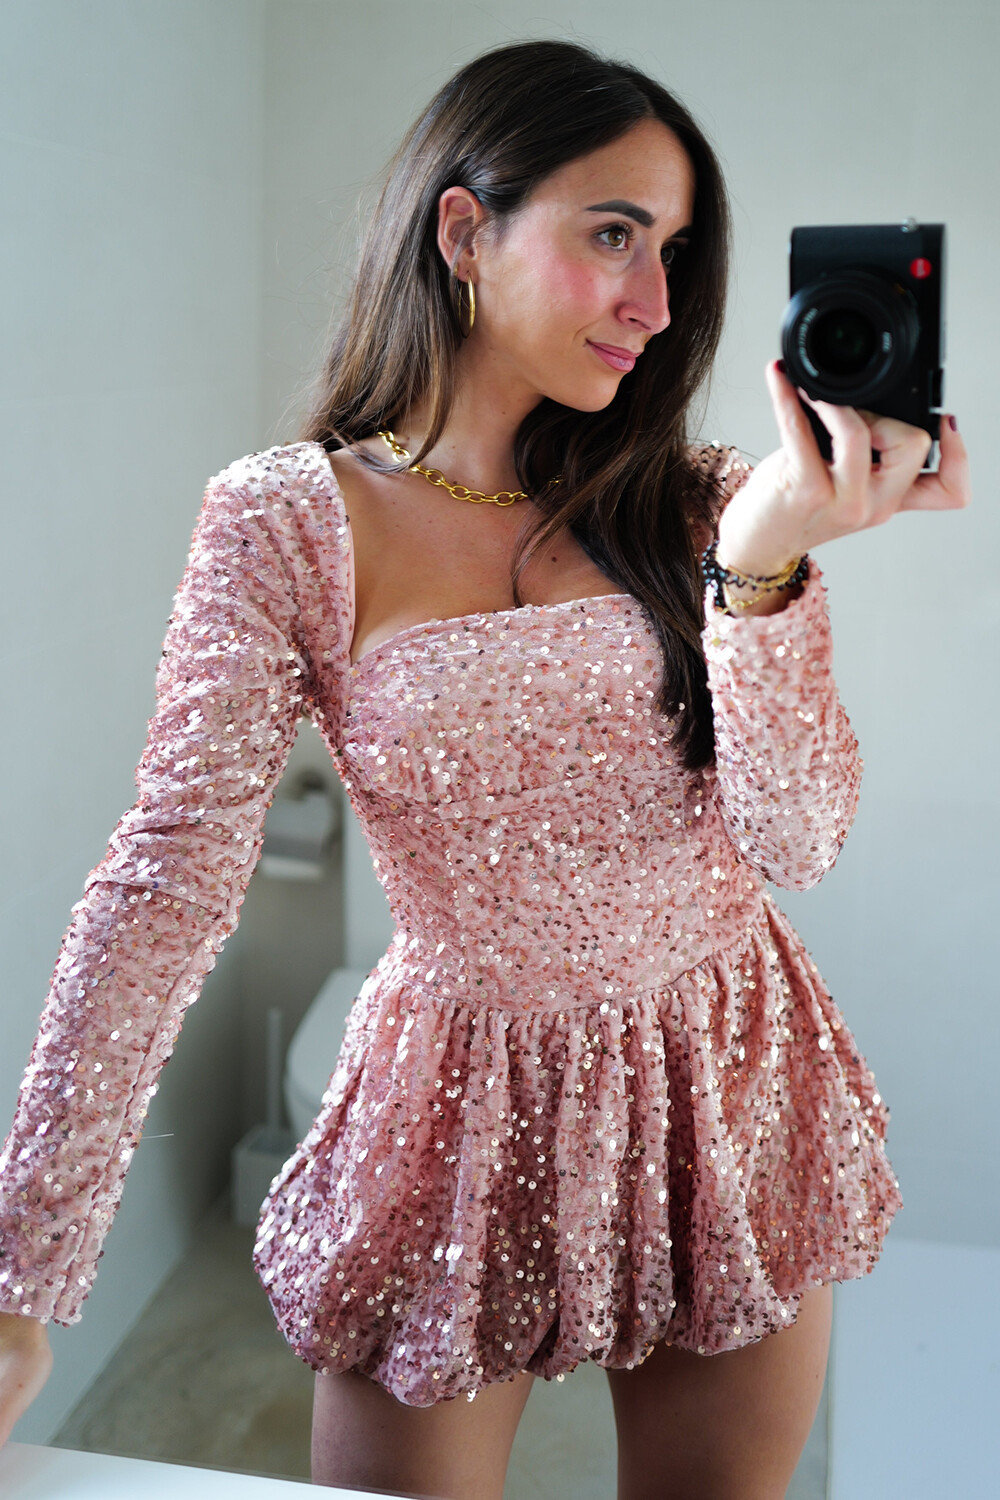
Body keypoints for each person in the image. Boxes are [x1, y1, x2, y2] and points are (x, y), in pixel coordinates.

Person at [0, 36, 969, 1500]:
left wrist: (763, 565)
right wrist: (22, 1271)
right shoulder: (285, 524)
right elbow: (166, 881)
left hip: (721, 1074)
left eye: (677, 253)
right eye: (613, 234)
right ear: (464, 230)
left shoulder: (709, 505)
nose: (655, 302)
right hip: (455, 1108)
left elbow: (800, 838)